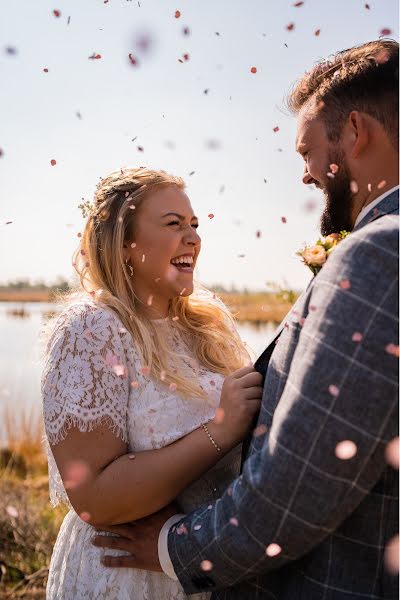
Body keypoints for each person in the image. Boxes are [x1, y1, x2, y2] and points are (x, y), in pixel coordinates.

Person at [94, 40, 399, 599]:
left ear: (355, 133)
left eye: (307, 150)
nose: (305, 175)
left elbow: (303, 483)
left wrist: (174, 545)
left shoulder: (381, 252)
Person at [41, 167, 263, 599]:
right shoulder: (93, 330)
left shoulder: (208, 323)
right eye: (174, 224)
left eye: (195, 225)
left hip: (204, 567)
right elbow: (94, 498)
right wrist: (219, 431)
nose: (193, 238)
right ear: (126, 244)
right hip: (125, 575)